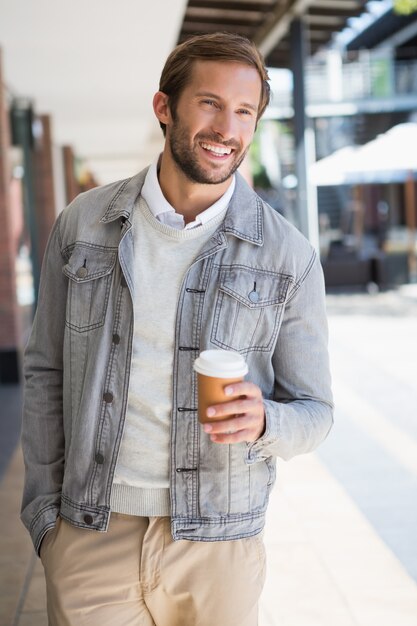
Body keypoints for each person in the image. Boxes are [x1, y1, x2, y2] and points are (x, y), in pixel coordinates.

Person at [21, 32, 333, 626]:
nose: (227, 128)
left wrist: (266, 419)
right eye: (210, 103)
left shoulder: (288, 256)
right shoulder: (83, 224)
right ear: (165, 107)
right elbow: (44, 370)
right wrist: (45, 514)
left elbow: (316, 411)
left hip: (220, 545)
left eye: (245, 112)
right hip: (91, 530)